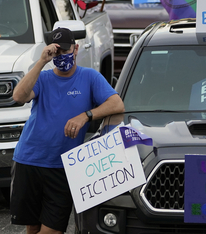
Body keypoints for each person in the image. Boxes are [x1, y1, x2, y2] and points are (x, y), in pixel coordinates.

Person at [10, 27, 125, 234]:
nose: (62, 56)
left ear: (76, 48)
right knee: (32, 227)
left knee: (52, 230)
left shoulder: (89, 77)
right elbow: (18, 96)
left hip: (63, 167)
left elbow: (116, 104)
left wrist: (85, 116)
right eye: (57, 51)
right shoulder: (43, 78)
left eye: (66, 50)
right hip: (29, 160)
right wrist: (41, 62)